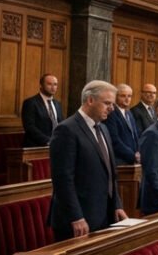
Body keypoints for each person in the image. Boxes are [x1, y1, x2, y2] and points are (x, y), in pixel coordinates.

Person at [48, 80, 127, 239]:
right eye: (107, 103)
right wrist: (76, 216)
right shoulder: (66, 130)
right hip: (78, 220)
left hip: (104, 214)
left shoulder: (103, 128)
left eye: (112, 104)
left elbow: (110, 174)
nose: (112, 108)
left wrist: (116, 205)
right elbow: (63, 180)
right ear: (90, 100)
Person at [22, 73, 64, 146]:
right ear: (41, 85)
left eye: (55, 84)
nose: (53, 87)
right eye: (49, 84)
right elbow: (29, 127)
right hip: (37, 146)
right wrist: (48, 141)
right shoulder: (30, 103)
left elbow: (61, 124)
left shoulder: (57, 104)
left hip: (56, 145)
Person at [103, 83, 140, 165]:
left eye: (129, 96)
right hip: (119, 161)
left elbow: (135, 136)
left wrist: (138, 153)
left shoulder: (129, 113)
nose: (127, 99)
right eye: (123, 96)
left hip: (133, 161)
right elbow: (114, 140)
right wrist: (132, 155)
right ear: (115, 97)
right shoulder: (111, 113)